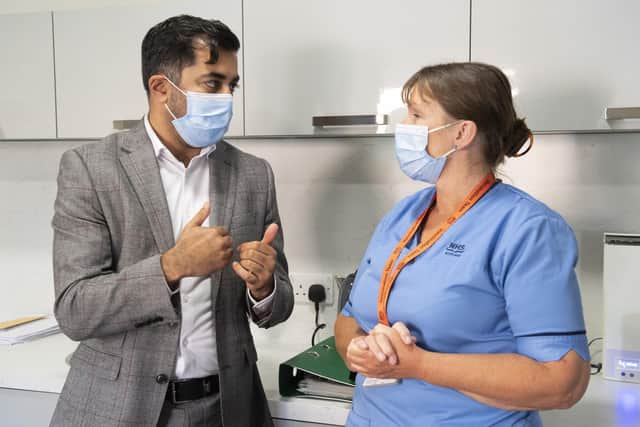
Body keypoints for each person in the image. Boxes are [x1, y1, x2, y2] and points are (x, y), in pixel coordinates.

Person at [50, 15, 293, 427]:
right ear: (161, 88)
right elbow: (75, 309)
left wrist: (265, 286)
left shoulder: (253, 174)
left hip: (227, 407)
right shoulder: (90, 168)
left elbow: (279, 304)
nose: (227, 98)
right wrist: (172, 266)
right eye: (212, 84)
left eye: (231, 86)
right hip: (117, 407)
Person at [335, 62, 590, 426]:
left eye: (416, 115)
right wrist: (358, 351)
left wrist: (420, 365)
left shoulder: (527, 230)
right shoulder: (402, 215)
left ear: (461, 133)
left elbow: (563, 381)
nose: (404, 127)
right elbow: (348, 323)